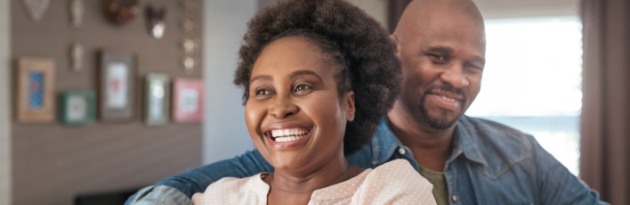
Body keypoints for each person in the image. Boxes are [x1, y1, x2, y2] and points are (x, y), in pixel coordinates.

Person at [127, 0, 609, 204]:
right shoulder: (318, 153)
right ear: (394, 52)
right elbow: (170, 193)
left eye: (473, 65)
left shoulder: (520, 156)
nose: (456, 78)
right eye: (438, 56)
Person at [188, 0, 437, 204]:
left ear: (349, 105)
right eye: (263, 91)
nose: (279, 108)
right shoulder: (221, 198)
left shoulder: (391, 192)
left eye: (302, 86)